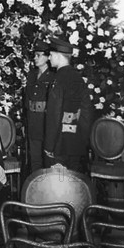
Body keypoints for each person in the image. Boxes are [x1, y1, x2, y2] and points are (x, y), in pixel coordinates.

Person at [43, 36, 94, 173]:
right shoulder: (78, 78)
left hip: (59, 144)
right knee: (74, 185)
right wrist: (82, 138)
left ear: (59, 56)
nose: (49, 58)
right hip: (75, 142)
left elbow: (54, 114)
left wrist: (49, 146)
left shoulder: (58, 79)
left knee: (57, 187)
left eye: (51, 55)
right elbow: (87, 111)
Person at [24, 40, 55, 173]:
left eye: (39, 55)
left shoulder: (54, 76)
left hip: (47, 123)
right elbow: (26, 100)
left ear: (48, 57)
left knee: (49, 161)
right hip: (33, 122)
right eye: (35, 55)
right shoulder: (31, 75)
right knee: (35, 160)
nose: (35, 58)